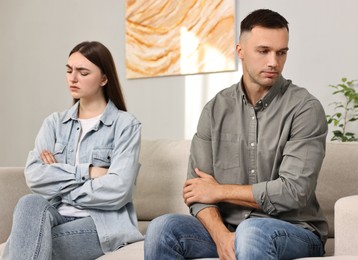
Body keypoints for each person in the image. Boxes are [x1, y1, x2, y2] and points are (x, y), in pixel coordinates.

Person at [144, 9, 328, 260]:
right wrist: (221, 236)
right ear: (240, 51)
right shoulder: (214, 110)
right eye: (263, 51)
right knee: (162, 228)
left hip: (294, 231)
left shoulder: (305, 108)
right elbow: (197, 193)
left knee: (252, 231)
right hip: (230, 228)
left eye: (281, 52)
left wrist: (219, 191)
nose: (274, 61)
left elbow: (294, 192)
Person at [1, 41, 143, 260]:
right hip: (56, 213)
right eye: (69, 70)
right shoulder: (54, 123)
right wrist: (89, 173)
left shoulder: (125, 125)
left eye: (83, 72)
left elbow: (119, 190)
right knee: (29, 202)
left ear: (104, 79)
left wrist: (59, 179)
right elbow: (34, 176)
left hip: (101, 224)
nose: (73, 78)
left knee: (23, 245)